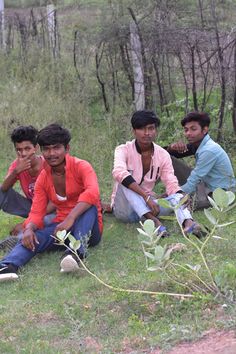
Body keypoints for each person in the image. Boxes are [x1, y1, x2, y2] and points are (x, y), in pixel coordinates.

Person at [0, 124, 102, 281]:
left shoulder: (81, 166)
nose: (52, 153)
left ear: (66, 148)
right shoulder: (44, 177)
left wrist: (71, 218)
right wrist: (29, 228)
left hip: (88, 230)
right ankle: (8, 266)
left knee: (89, 206)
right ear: (41, 151)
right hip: (61, 228)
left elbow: (92, 192)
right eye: (47, 149)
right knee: (33, 237)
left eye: (56, 148)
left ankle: (75, 254)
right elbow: (36, 211)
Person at [111, 110, 201, 237]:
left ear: (156, 130)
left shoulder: (162, 154)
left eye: (151, 128)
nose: (147, 133)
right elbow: (118, 172)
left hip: (150, 206)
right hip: (125, 210)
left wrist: (181, 195)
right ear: (134, 131)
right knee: (124, 180)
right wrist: (145, 197)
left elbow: (171, 182)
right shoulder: (122, 150)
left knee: (178, 197)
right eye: (142, 129)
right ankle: (153, 221)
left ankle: (188, 223)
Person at [0, 125, 54, 251]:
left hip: (50, 210)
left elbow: (56, 202)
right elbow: (3, 189)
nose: (23, 153)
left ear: (36, 148)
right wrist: (16, 171)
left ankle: (17, 240)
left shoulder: (48, 165)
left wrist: (27, 223)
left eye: (27, 148)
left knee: (47, 221)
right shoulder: (17, 164)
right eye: (19, 150)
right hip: (32, 207)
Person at [166, 112, 236, 209]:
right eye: (186, 130)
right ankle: (146, 189)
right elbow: (164, 154)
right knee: (166, 157)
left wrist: (172, 195)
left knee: (176, 203)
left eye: (193, 129)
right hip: (205, 185)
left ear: (205, 129)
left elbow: (193, 180)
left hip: (220, 195)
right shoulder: (198, 144)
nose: (188, 133)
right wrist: (170, 148)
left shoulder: (209, 149)